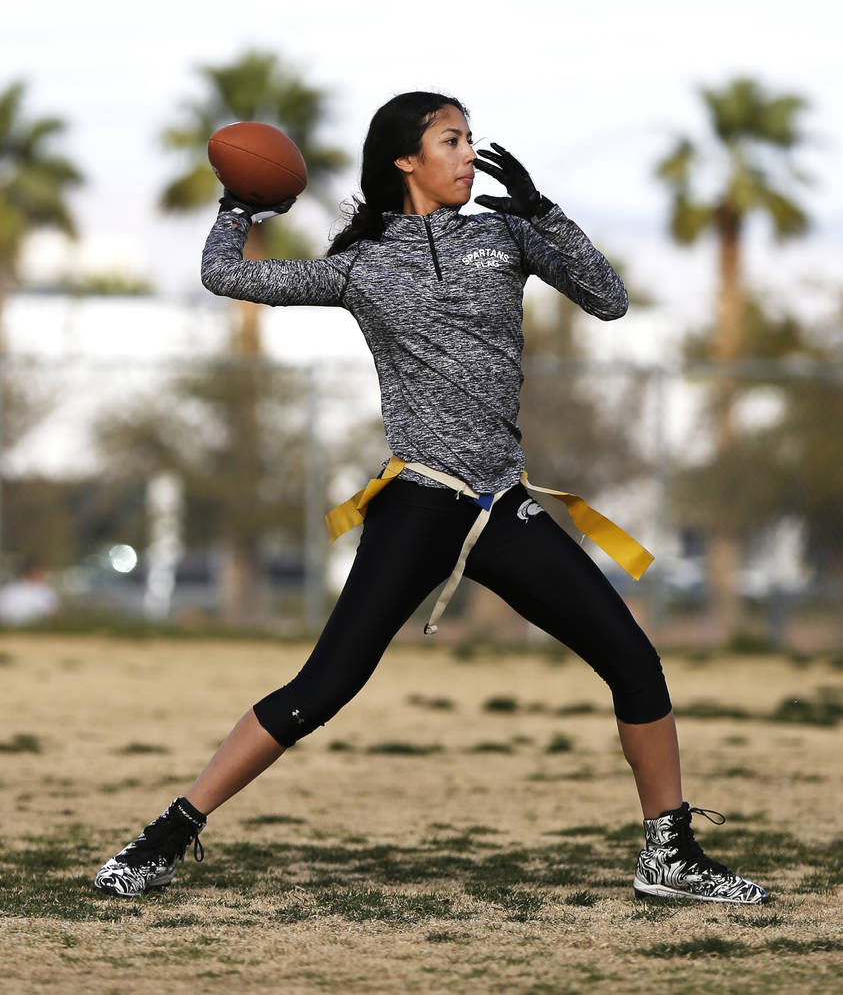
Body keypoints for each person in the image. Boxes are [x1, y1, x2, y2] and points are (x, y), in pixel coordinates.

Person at [93, 91, 766, 905]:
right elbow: (221, 273)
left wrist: (544, 213)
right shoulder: (362, 263)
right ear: (404, 160)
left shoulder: (505, 232)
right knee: (323, 688)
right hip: (419, 500)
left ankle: (669, 856)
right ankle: (168, 834)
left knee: (633, 660)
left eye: (470, 140)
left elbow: (609, 298)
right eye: (451, 141)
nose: (467, 156)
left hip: (501, 505)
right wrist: (239, 203)